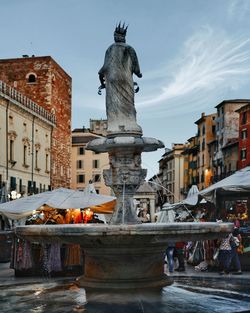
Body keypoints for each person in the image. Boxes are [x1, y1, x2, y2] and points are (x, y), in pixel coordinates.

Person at [98, 22, 142, 134]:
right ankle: (131, 123)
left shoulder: (109, 49)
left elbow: (104, 68)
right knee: (128, 102)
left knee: (113, 103)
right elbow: (137, 69)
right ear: (124, 37)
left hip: (112, 81)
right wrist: (138, 74)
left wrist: (102, 83)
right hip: (126, 79)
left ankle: (113, 124)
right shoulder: (129, 48)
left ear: (114, 36)